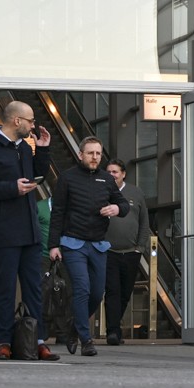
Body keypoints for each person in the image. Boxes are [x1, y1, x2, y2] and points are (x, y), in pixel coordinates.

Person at [0, 99, 59, 361]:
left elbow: (36, 175)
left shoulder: (24, 148)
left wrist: (42, 150)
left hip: (29, 230)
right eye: (31, 120)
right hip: (5, 230)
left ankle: (38, 340)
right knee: (5, 288)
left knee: (34, 287)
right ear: (16, 121)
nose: (34, 124)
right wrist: (12, 189)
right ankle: (4, 341)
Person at [47, 136, 128, 358]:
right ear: (80, 154)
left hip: (99, 245)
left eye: (98, 154)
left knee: (97, 293)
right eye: (90, 153)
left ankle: (74, 328)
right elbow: (58, 213)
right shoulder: (67, 178)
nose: (95, 157)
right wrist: (53, 245)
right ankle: (86, 339)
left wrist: (115, 208)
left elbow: (123, 204)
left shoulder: (106, 179)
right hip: (73, 243)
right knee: (81, 288)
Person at [101, 159, 148, 346]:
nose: (112, 175)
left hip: (131, 252)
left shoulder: (136, 193)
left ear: (123, 174)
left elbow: (144, 222)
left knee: (125, 292)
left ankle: (115, 328)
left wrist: (140, 247)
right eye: (109, 172)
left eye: (115, 172)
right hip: (108, 251)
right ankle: (113, 331)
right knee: (112, 291)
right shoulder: (101, 191)